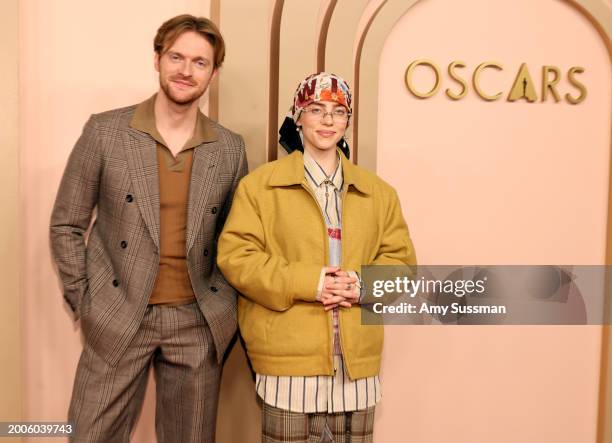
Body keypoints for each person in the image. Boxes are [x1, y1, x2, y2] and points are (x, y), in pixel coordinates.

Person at [49, 14, 247, 442]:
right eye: (176, 56)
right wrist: (87, 302)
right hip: (119, 313)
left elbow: (236, 241)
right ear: (157, 59)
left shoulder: (229, 147)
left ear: (213, 73)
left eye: (199, 62)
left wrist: (224, 311)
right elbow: (66, 223)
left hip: (197, 322)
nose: (185, 70)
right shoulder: (106, 131)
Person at [217, 72, 416, 442]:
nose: (327, 120)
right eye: (316, 109)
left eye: (338, 112)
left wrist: (360, 285)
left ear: (347, 122)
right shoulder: (261, 186)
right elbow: (237, 257)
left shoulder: (379, 193)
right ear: (298, 117)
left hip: (357, 372)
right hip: (287, 366)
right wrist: (311, 282)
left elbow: (403, 267)